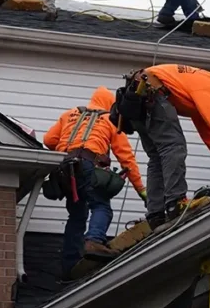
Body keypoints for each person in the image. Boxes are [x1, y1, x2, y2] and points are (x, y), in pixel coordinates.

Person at [120, 64, 210, 232]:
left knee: (157, 156)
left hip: (138, 95)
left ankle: (156, 215)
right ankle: (176, 204)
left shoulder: (204, 86)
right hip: (151, 93)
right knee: (173, 147)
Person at [43, 86, 145, 278]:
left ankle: (70, 265)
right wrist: (141, 190)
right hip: (88, 166)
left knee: (77, 216)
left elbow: (49, 140)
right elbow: (127, 159)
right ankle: (94, 241)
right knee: (101, 207)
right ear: (110, 104)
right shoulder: (110, 120)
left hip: (66, 169)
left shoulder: (70, 114)